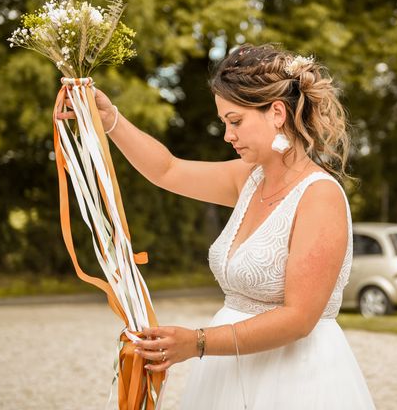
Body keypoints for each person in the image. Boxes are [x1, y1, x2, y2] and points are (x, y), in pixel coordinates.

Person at [58, 43, 375, 409]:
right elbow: (168, 170)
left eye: (235, 121)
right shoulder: (250, 179)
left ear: (276, 113)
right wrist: (108, 117)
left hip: (294, 378)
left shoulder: (320, 196)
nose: (228, 136)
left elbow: (299, 318)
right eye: (225, 123)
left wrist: (197, 342)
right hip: (230, 370)